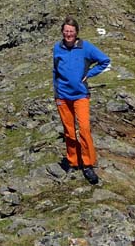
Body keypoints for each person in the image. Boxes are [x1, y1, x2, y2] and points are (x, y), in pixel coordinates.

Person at [52, 16, 110, 184]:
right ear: (62, 32)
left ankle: (88, 164)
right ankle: (73, 161)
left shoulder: (86, 48)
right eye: (66, 31)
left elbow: (104, 61)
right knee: (69, 131)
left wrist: (89, 74)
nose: (68, 34)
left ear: (76, 32)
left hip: (80, 95)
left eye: (71, 31)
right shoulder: (57, 48)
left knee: (84, 129)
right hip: (62, 96)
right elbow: (55, 71)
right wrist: (56, 94)